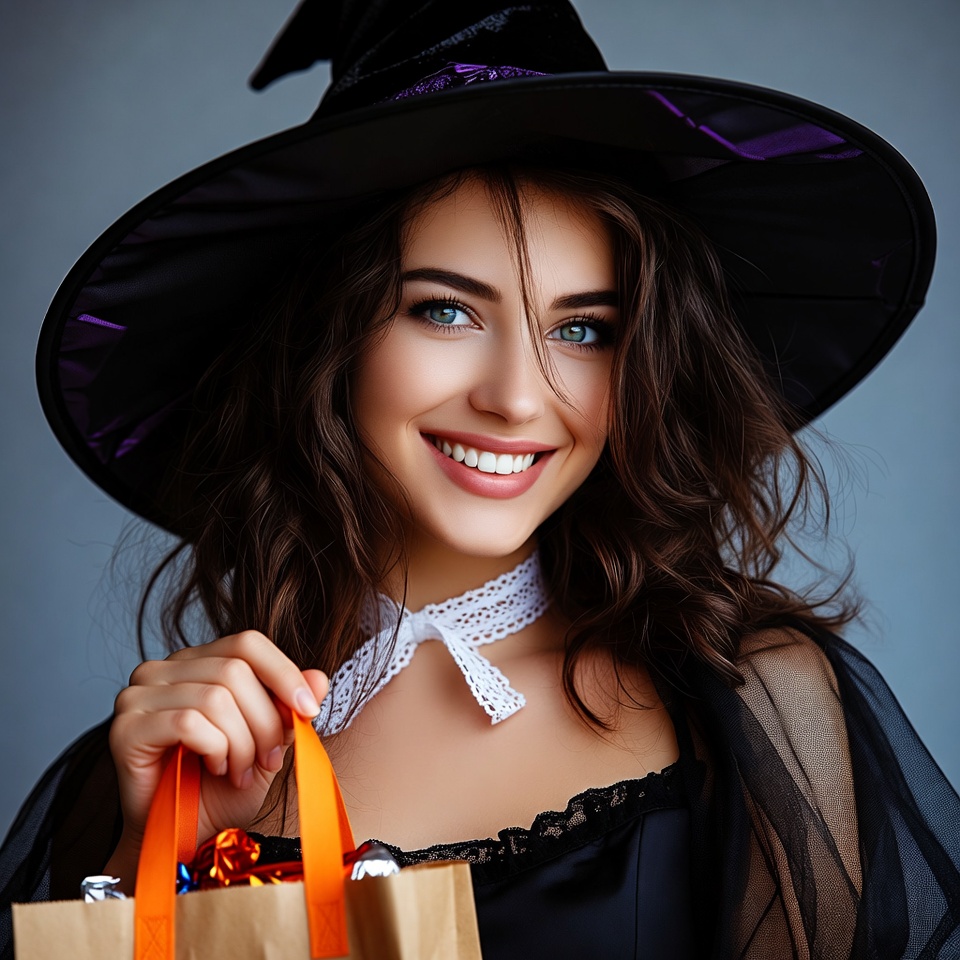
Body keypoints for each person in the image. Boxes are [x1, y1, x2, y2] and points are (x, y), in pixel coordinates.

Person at [3, 1, 959, 958]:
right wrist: (157, 858)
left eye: (584, 330)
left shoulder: (751, 699)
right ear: (325, 341)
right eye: (446, 312)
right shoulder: (165, 762)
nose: (516, 398)